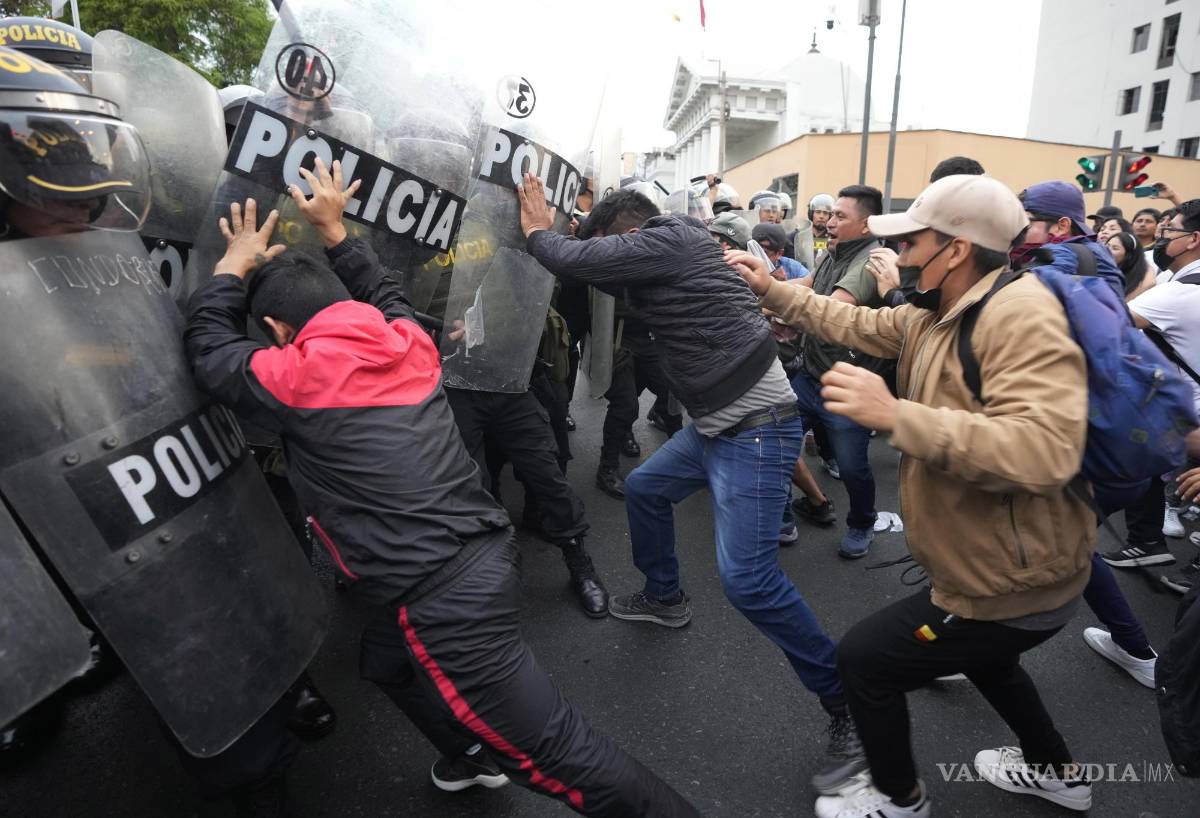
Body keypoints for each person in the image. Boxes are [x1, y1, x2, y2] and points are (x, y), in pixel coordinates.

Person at [183, 163, 700, 818]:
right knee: (386, 665)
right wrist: (337, 231)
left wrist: (231, 265)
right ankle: (468, 754)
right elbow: (386, 291)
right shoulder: (407, 342)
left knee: (557, 755)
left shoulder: (294, 375)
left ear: (281, 333)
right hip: (478, 557)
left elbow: (205, 348)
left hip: (440, 601)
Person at [731, 173, 1094, 818]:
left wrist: (896, 415)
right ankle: (1057, 771)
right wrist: (773, 289)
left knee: (865, 662)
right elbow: (853, 319)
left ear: (955, 249)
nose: (897, 258)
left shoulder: (1020, 315)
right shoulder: (937, 311)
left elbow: (1047, 452)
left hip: (1013, 581)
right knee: (990, 662)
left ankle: (898, 799)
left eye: (911, 243)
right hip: (983, 569)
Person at [516, 177, 867, 797]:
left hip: (756, 428)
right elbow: (586, 269)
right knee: (649, 489)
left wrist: (541, 231)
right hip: (716, 423)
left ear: (627, 234)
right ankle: (665, 598)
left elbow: (572, 258)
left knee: (751, 582)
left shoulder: (666, 235)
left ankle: (849, 710)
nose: (611, 267)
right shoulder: (671, 248)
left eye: (609, 249)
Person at [1012, 180, 1164, 690]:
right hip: (1111, 441)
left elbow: (1016, 309)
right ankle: (1134, 647)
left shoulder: (1067, 261)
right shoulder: (1086, 257)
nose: (1016, 223)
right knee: (1072, 547)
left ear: (1059, 225)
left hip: (1098, 445)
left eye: (1025, 215)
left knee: (1023, 545)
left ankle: (966, 645)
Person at [790, 185, 887, 559]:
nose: (829, 222)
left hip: (847, 388)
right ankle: (807, 505)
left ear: (866, 226)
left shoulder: (871, 260)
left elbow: (832, 307)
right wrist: (761, 287)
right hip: (809, 375)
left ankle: (862, 523)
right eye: (830, 215)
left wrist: (780, 306)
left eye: (840, 217)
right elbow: (808, 286)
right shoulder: (834, 253)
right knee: (774, 439)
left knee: (853, 468)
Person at [1126, 200, 1200, 597]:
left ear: (1193, 239)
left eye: (1169, 231)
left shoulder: (1181, 294)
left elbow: (1106, 324)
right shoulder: (1179, 285)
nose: (1160, 236)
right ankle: (1149, 543)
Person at [1106, 231, 1156, 299]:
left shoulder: (1139, 280)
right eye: (1107, 245)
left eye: (1115, 248)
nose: (1107, 250)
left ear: (1128, 255)